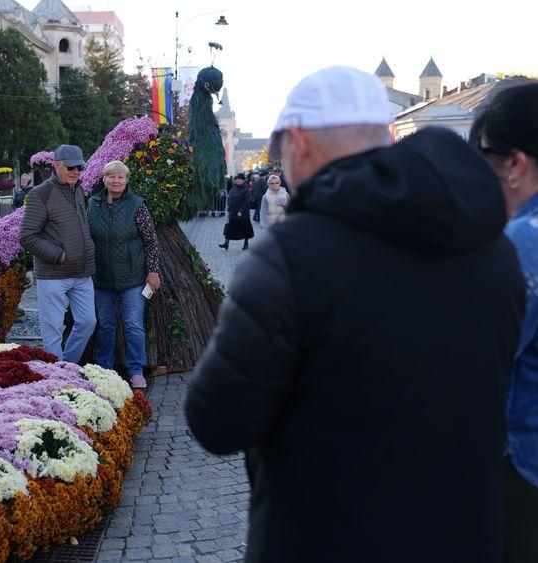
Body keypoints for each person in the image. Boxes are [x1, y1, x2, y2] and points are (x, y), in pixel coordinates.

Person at [185, 66, 525, 563]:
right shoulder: (492, 245)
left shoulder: (291, 256)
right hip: (462, 532)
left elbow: (216, 421)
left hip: (326, 535)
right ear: (387, 137)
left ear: (298, 142)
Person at [470, 82, 538, 563]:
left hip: (524, 471)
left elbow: (477, 363)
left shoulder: (521, 245)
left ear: (515, 163)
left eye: (485, 159)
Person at [19, 144, 96, 363]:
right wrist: (59, 255)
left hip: (82, 272)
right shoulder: (40, 194)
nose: (76, 172)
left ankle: (67, 367)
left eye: (80, 167)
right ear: (57, 166)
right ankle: (56, 375)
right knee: (52, 331)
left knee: (88, 322)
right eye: (71, 167)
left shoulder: (79, 189)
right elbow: (27, 236)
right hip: (53, 274)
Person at [88, 160, 161, 389]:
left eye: (121, 177)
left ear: (127, 180)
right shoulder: (93, 204)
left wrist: (153, 271)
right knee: (105, 325)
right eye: (112, 177)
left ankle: (136, 370)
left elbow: (151, 242)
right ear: (104, 179)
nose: (116, 181)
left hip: (132, 279)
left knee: (133, 325)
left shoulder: (137, 205)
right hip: (102, 278)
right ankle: (104, 369)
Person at [218, 173, 254, 249]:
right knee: (230, 228)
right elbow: (230, 199)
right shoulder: (234, 188)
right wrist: (229, 209)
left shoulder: (246, 189)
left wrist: (241, 211)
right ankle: (226, 243)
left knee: (245, 228)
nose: (237, 180)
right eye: (236, 179)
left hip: (243, 213)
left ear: (243, 180)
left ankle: (246, 243)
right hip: (233, 212)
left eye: (239, 179)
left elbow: (247, 202)